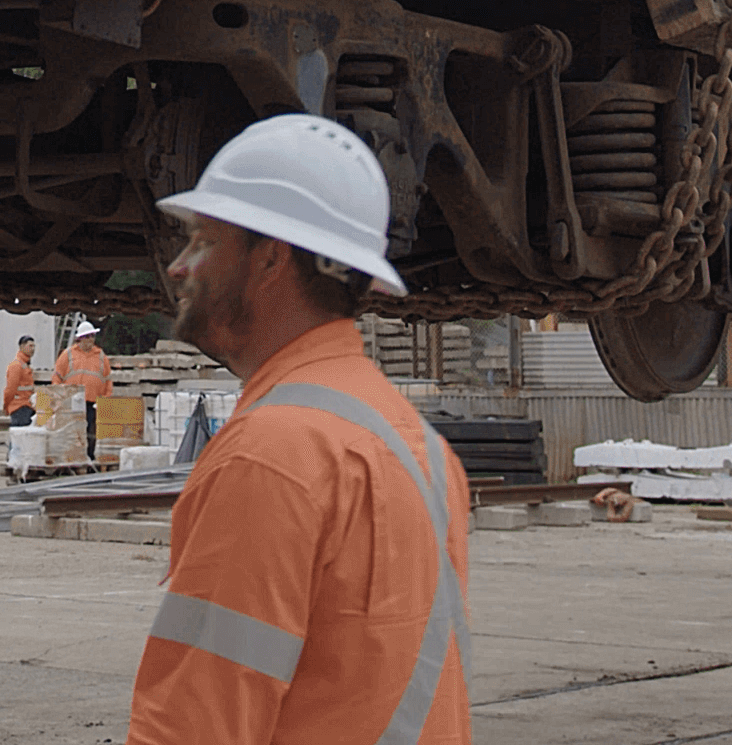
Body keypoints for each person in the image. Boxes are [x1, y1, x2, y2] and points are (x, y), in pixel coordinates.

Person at [127, 114, 470, 744]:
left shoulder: (272, 455)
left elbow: (196, 725)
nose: (178, 267)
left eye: (204, 240)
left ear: (269, 257)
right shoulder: (419, 445)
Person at [55, 322, 115, 461]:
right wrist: (59, 396)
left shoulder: (100, 356)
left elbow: (107, 380)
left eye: (92, 336)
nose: (90, 339)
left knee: (90, 432)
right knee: (72, 432)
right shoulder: (68, 354)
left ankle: (89, 456)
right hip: (72, 403)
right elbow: (57, 376)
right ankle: (72, 457)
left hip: (92, 402)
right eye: (87, 336)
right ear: (80, 338)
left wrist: (105, 399)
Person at [2, 335, 40, 428]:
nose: (33, 349)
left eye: (34, 346)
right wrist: (6, 406)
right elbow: (10, 389)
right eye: (30, 346)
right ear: (22, 346)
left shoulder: (24, 365)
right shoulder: (17, 366)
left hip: (26, 406)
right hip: (20, 407)